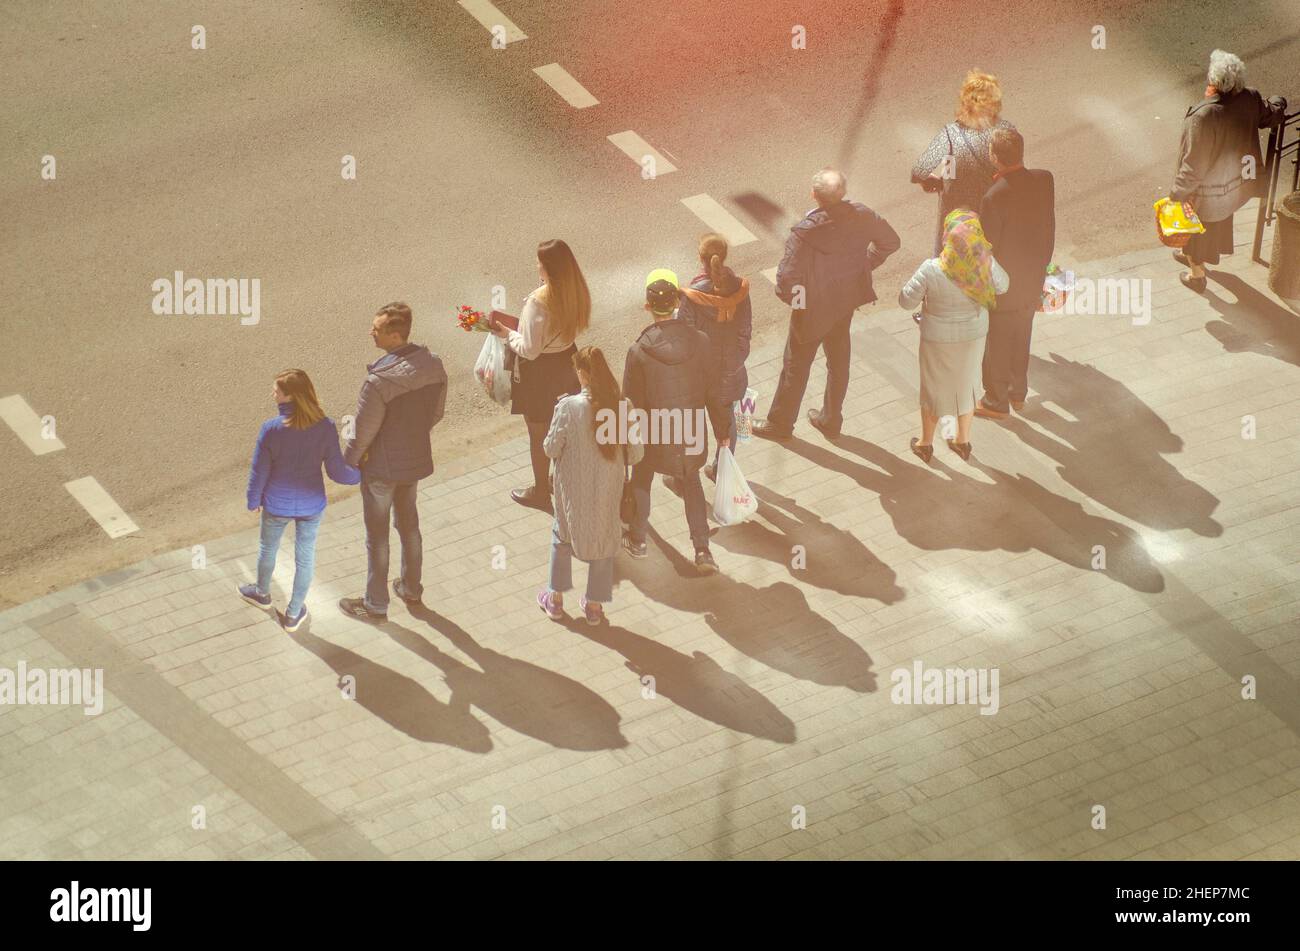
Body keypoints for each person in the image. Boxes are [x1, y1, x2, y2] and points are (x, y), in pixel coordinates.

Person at [753, 168, 899, 442]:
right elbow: (890, 242)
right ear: (842, 192)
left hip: (812, 308)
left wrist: (798, 302)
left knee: (796, 365)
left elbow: (787, 278)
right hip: (844, 302)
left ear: (814, 195)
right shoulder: (863, 215)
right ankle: (831, 419)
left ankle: (781, 424)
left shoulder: (806, 232)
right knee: (838, 360)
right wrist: (864, 266)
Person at [338, 303, 448, 621]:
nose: (371, 332)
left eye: (378, 328)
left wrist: (349, 462)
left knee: (378, 537)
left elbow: (362, 432)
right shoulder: (434, 365)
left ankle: (375, 603)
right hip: (413, 462)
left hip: (381, 469)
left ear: (395, 335)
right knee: (409, 526)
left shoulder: (378, 382)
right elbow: (436, 413)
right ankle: (411, 588)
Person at [241, 369, 360, 632]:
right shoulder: (325, 427)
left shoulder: (271, 429)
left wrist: (253, 500)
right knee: (305, 558)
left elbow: (259, 470)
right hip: (311, 505)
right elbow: (336, 471)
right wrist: (359, 475)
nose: (272, 392)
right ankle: (294, 614)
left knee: (267, 549)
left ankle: (262, 593)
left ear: (290, 395)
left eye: (276, 390)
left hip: (276, 504)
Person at [537, 346, 645, 626]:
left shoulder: (568, 407)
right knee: (605, 539)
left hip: (571, 490)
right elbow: (636, 454)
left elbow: (550, 449)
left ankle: (556, 600)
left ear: (582, 374)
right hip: (609, 490)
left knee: (561, 537)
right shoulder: (623, 406)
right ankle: (594, 607)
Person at [622, 269, 719, 574]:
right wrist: (724, 433)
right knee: (691, 481)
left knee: (642, 478)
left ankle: (637, 539)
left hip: (655, 433)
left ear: (648, 307)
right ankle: (702, 550)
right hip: (691, 429)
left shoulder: (638, 351)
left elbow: (631, 403)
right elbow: (712, 390)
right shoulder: (700, 340)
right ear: (678, 302)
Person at [1170, 49, 1287, 293]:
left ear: (1213, 82)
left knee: (1197, 232)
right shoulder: (1249, 98)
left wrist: (1177, 194)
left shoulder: (1204, 116)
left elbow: (1193, 166)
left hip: (1208, 191)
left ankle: (1197, 276)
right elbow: (1270, 115)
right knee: (1216, 222)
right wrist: (1278, 103)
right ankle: (1190, 256)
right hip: (1235, 186)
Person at [898, 209, 1009, 463]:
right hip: (973, 336)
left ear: (946, 235)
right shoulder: (985, 262)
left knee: (933, 389)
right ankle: (962, 441)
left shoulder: (931, 268)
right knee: (967, 385)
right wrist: (988, 259)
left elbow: (905, 301)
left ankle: (925, 444)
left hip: (937, 339)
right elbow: (1004, 286)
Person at [491, 239, 590, 511]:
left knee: (539, 433)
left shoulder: (539, 301)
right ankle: (564, 479)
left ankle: (541, 493)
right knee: (565, 425)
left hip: (539, 374)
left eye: (539, 262)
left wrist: (507, 333)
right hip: (567, 363)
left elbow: (529, 350)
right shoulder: (577, 291)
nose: (537, 266)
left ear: (548, 268)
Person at [974, 128, 1056, 419]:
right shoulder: (1045, 179)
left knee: (997, 342)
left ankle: (996, 400)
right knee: (1022, 335)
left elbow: (987, 249)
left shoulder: (994, 197)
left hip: (1004, 284)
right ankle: (1017, 393)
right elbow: (1048, 228)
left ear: (995, 158)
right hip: (1033, 277)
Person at [912, 70, 1016, 255]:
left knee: (951, 260)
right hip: (993, 212)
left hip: (957, 216)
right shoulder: (1006, 130)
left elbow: (920, 171)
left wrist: (937, 182)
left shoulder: (951, 134)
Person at [676, 232, 752, 481]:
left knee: (692, 424)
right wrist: (736, 359)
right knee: (727, 422)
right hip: (729, 370)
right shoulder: (740, 288)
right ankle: (723, 471)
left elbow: (684, 336)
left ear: (701, 259)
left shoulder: (693, 297)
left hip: (700, 374)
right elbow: (745, 329)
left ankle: (684, 476)